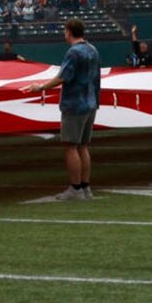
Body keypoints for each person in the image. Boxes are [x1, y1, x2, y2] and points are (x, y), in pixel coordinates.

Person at [41, 21, 102, 199]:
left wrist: (41, 87)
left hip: (75, 104)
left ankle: (75, 189)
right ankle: (85, 187)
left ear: (69, 32)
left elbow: (63, 77)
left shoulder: (73, 52)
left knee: (70, 146)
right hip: (91, 103)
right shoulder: (93, 49)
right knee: (83, 146)